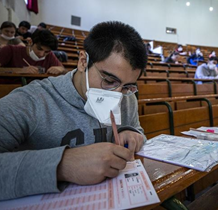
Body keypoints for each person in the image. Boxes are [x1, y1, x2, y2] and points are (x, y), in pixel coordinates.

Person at [0, 21, 148, 201]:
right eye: (109, 81)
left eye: (127, 86)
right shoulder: (31, 101)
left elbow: (137, 130)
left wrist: (131, 132)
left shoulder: (127, 97)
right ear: (83, 61)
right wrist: (62, 165)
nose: (117, 95)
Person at [0, 29, 65, 75]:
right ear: (31, 42)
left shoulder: (50, 55)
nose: (42, 54)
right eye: (39, 49)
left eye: (46, 51)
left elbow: (64, 71)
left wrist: (60, 69)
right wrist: (20, 70)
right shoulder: (10, 50)